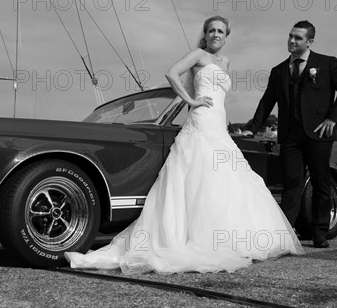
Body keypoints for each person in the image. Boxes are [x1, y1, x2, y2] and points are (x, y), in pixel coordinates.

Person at [64, 16, 304, 274]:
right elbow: (171, 72)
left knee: (226, 178)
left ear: (226, 36)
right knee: (197, 177)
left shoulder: (226, 62)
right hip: (200, 122)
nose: (215, 34)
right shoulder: (198, 55)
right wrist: (191, 99)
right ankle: (197, 239)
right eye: (211, 30)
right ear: (206, 33)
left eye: (220, 31)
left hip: (219, 124)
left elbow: (219, 93)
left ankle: (232, 238)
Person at [248, 20, 337, 248]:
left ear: (310, 42)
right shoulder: (278, 71)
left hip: (318, 133)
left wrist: (333, 118)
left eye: (297, 38)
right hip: (289, 136)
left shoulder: (326, 63)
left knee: (320, 182)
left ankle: (319, 232)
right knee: (292, 184)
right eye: (290, 36)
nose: (291, 41)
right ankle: (286, 233)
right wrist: (253, 127)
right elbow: (268, 101)